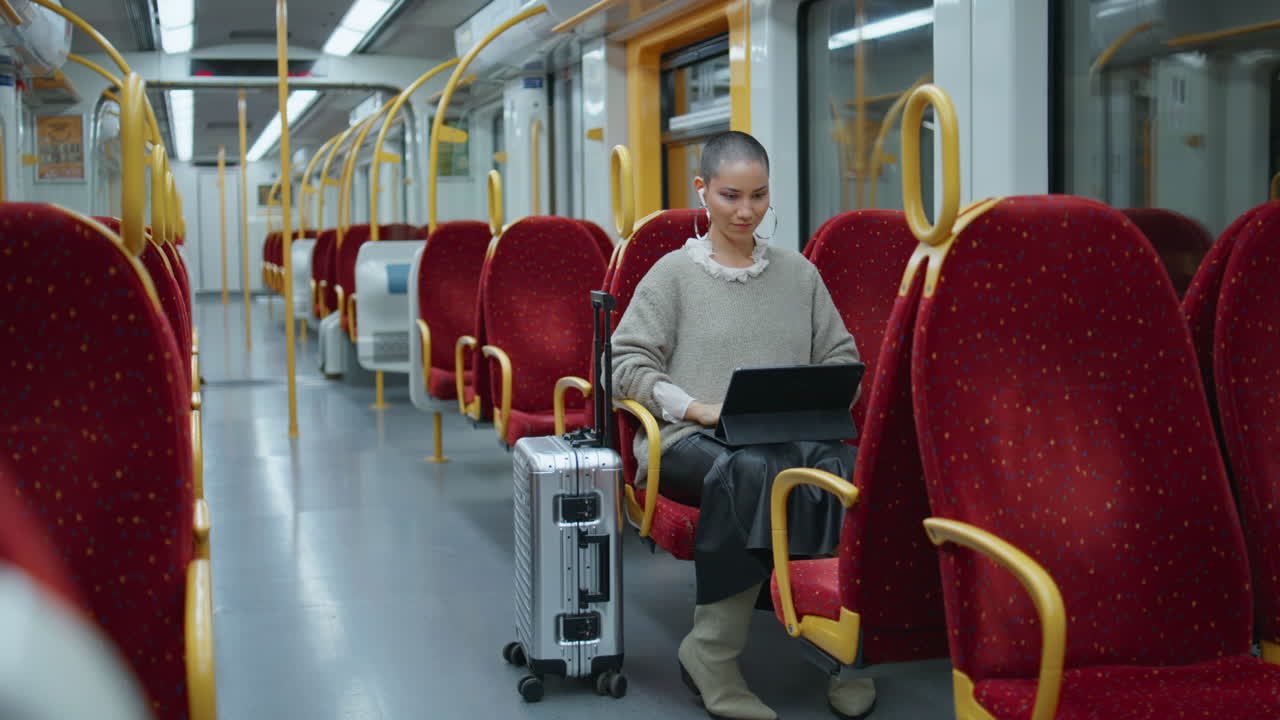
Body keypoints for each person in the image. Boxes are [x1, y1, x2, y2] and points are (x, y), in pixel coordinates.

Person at [612, 131, 875, 720]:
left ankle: (844, 654)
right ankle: (712, 652)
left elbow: (841, 358)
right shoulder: (671, 274)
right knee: (751, 469)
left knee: (844, 470)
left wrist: (818, 394)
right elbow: (623, 365)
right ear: (702, 190)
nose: (745, 210)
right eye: (730, 195)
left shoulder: (799, 274)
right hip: (689, 441)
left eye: (758, 195)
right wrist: (696, 407)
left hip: (785, 436)